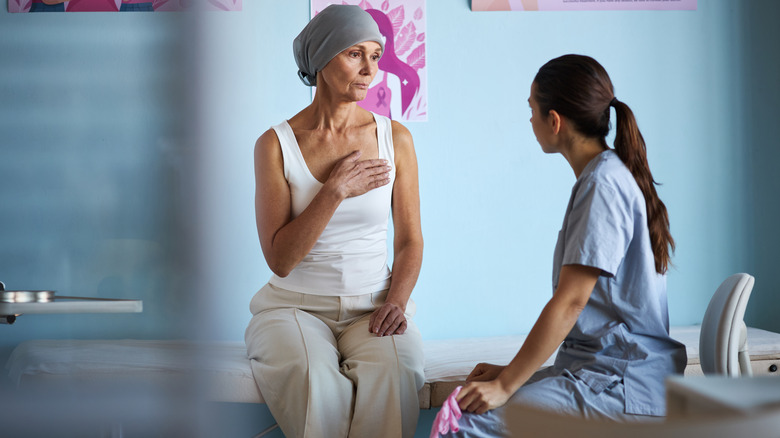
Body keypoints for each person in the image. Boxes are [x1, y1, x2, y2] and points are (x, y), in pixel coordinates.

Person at [444, 54, 687, 437]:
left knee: (467, 423)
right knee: (467, 403)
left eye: (532, 111)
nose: (530, 121)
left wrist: (506, 386)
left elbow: (571, 301)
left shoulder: (602, 186)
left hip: (623, 384)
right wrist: (510, 374)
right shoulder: (608, 174)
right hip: (609, 374)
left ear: (553, 121)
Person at [244, 5, 425, 438]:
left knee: (398, 371)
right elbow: (280, 259)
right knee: (315, 380)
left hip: (374, 307)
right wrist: (333, 192)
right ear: (323, 61)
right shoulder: (275, 145)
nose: (369, 70)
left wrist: (396, 302)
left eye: (376, 56)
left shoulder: (395, 138)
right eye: (354, 54)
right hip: (293, 309)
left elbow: (410, 241)